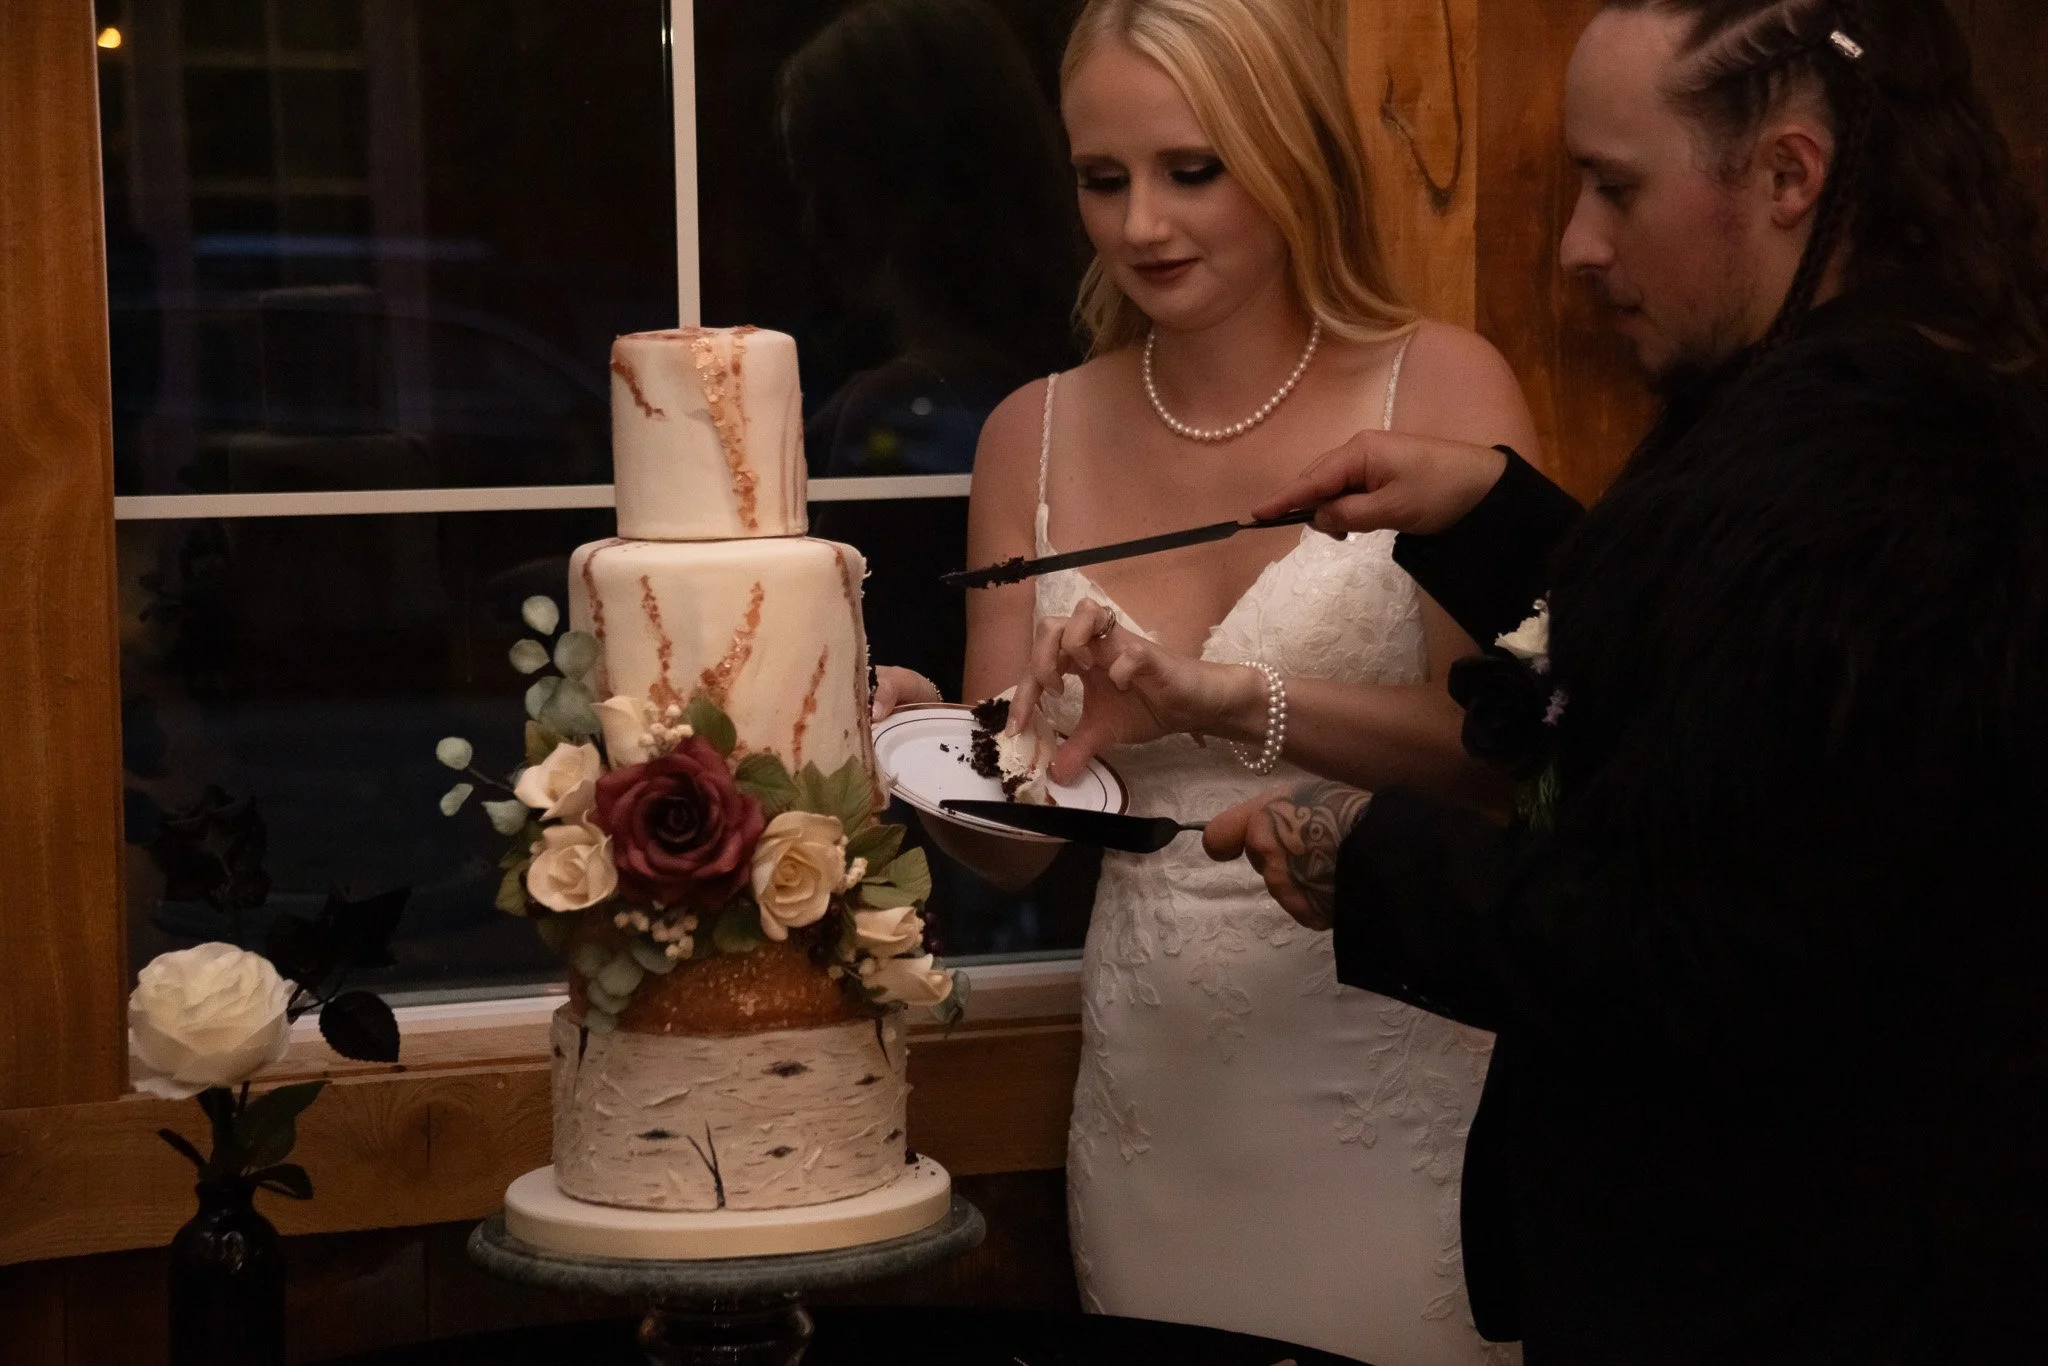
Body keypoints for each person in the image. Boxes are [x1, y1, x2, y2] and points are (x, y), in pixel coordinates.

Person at [1182, 0, 2048, 1359]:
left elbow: (1693, 951)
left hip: (1801, 1290)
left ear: (1786, 177)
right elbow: (1696, 690)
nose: (1581, 244)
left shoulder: (1879, 489)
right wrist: (1491, 517)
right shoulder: (1828, 431)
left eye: (1616, 186)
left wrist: (1376, 861)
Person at [879, 0, 1538, 1358]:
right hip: (1159, 1099)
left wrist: (1233, 699)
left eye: (1192, 170)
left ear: (1289, 154)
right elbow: (1017, 839)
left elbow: (1501, 758)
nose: (1142, 226)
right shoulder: (1031, 433)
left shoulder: (1446, 387)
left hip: (1395, 1067)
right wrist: (920, 753)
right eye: (1101, 179)